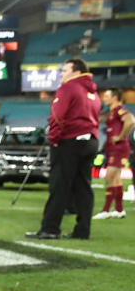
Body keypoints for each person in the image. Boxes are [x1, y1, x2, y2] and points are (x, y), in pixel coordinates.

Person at [26, 58, 100, 240]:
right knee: (83, 187)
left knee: (59, 185)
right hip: (90, 140)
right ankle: (83, 230)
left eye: (65, 70)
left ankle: (50, 228)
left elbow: (57, 116)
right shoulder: (93, 93)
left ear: (76, 72)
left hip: (70, 142)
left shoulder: (68, 88)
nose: (61, 74)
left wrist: (54, 139)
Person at [93, 88, 131, 219]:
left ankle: (106, 210)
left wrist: (121, 136)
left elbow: (131, 120)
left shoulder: (120, 109)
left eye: (107, 96)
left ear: (115, 97)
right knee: (116, 179)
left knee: (109, 177)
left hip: (119, 148)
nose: (104, 98)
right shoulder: (111, 112)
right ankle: (119, 210)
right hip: (112, 148)